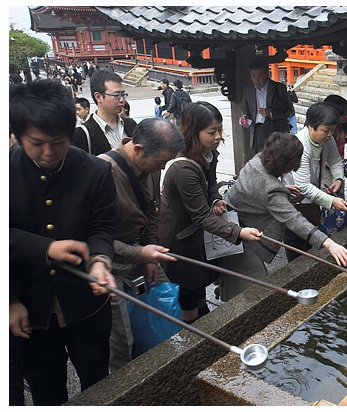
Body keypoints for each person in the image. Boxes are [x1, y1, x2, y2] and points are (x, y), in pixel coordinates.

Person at [9, 79, 117, 405]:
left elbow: (101, 227)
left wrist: (100, 261)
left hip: (86, 304)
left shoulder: (95, 171)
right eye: (36, 143)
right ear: (17, 135)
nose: (48, 152)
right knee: (46, 392)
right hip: (28, 307)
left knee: (98, 383)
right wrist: (11, 299)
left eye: (58, 142)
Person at [159, 102, 261, 319]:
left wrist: (215, 199)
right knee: (188, 284)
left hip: (196, 231)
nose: (217, 136)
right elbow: (201, 216)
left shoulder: (208, 154)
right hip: (180, 235)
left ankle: (204, 315)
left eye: (220, 130)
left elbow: (211, 184)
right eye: (211, 132)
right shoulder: (183, 169)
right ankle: (193, 331)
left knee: (200, 280)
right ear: (193, 132)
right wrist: (238, 232)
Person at [223, 132, 347, 300]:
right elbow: (294, 219)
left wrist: (283, 189)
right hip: (237, 236)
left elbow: (262, 188)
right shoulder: (271, 189)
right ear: (285, 166)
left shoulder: (260, 158)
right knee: (253, 291)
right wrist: (329, 244)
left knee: (234, 276)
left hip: (229, 220)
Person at [98, 117, 183, 372]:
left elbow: (153, 211)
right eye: (160, 162)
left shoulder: (152, 166)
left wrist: (149, 256)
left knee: (168, 312)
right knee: (122, 340)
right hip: (111, 264)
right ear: (138, 149)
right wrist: (140, 253)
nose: (163, 167)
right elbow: (97, 236)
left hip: (143, 252)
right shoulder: (103, 172)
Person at [280, 102, 347, 261]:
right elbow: (303, 187)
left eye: (333, 130)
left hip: (311, 204)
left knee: (311, 246)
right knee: (296, 249)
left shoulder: (327, 140)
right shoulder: (299, 146)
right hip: (293, 203)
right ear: (311, 126)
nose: (330, 134)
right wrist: (332, 201)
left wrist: (338, 179)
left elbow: (336, 162)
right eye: (326, 130)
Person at [321, 94, 347, 235]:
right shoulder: (323, 124)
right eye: (343, 113)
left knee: (340, 198)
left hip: (338, 164)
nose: (346, 115)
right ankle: (327, 235)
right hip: (323, 167)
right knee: (328, 200)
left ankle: (342, 231)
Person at [71, 69, 137, 155]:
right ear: (98, 97)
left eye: (123, 95)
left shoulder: (131, 125)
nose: (122, 100)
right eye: (116, 95)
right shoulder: (81, 134)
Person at [239, 59, 293, 158]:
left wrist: (271, 113)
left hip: (274, 129)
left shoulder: (278, 88)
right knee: (258, 158)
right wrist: (245, 116)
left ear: (266, 74)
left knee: (275, 158)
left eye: (259, 76)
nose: (256, 80)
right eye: (253, 76)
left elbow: (289, 111)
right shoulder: (248, 90)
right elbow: (245, 107)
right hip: (256, 129)